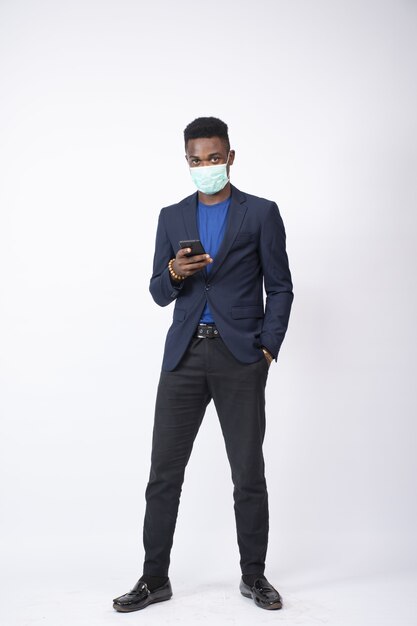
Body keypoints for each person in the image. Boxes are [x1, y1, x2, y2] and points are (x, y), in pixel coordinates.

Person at [113, 117, 294, 612]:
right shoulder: (172, 217)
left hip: (240, 358)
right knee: (163, 474)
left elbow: (280, 285)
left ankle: (253, 576)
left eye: (214, 158)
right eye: (196, 160)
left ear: (230, 157)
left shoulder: (260, 213)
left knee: (248, 474)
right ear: (187, 161)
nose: (205, 167)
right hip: (184, 356)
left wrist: (267, 347)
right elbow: (156, 291)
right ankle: (154, 579)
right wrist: (173, 272)